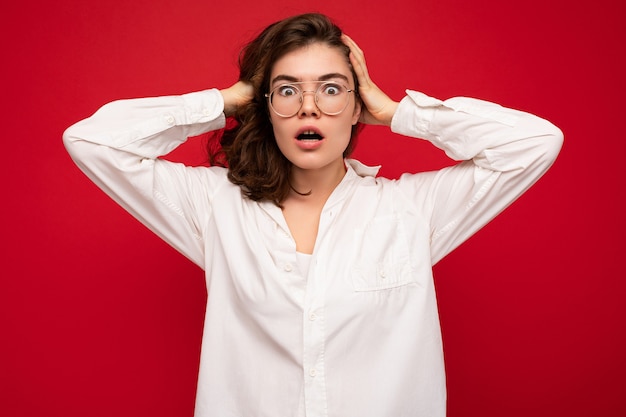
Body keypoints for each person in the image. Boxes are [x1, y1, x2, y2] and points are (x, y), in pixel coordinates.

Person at [63, 12, 563, 417]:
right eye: (286, 90)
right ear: (266, 106)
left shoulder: (410, 210)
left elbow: (536, 143)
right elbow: (89, 141)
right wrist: (231, 99)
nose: (308, 108)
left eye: (330, 89)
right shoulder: (216, 207)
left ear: (355, 105)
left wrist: (396, 113)